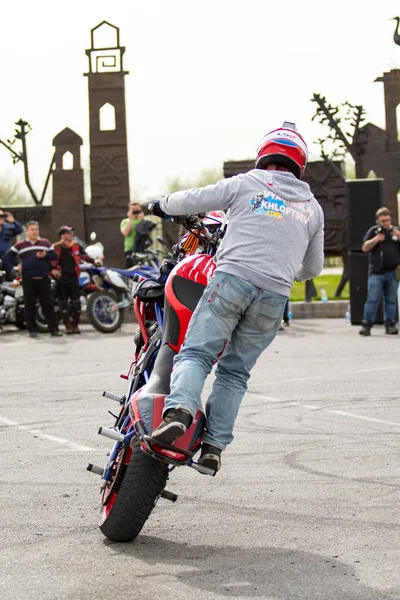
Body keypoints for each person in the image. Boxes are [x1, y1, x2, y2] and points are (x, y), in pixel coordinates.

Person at [149, 122, 324, 472]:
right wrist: (283, 270)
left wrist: (161, 204)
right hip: (274, 298)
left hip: (232, 280)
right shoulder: (313, 208)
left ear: (264, 156)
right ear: (298, 164)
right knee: (235, 372)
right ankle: (213, 447)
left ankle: (179, 412)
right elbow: (313, 268)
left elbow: (197, 198)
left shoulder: (247, 183)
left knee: (197, 352)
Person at [6, 220, 62, 338]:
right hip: (28, 279)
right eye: (32, 230)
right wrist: (16, 267)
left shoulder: (45, 242)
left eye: (36, 229)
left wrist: (45, 255)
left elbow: (54, 255)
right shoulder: (20, 245)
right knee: (29, 305)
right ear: (27, 231)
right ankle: (32, 330)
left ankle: (54, 329)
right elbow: (8, 256)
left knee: (48, 305)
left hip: (43, 278)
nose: (35, 232)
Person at [359, 207, 400, 336]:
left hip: (393, 272)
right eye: (383, 221)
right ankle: (367, 325)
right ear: (378, 221)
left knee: (391, 300)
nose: (386, 223)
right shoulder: (373, 231)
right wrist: (376, 239)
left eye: (387, 220)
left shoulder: (396, 231)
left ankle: (390, 324)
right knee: (372, 299)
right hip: (376, 273)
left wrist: (398, 236)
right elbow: (365, 248)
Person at [51, 225, 97, 334]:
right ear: (62, 235)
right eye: (68, 232)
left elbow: (84, 256)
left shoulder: (76, 246)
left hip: (74, 278)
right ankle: (67, 326)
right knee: (63, 303)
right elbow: (49, 261)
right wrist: (52, 270)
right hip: (61, 279)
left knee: (76, 303)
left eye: (71, 232)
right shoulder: (56, 247)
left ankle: (75, 325)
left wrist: (95, 261)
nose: (71, 234)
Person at [0, 210, 23, 280]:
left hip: (7, 257)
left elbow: (20, 230)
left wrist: (13, 221)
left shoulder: (8, 227)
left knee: (10, 276)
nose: (1, 218)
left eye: (3, 216)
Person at [120, 203, 145, 268]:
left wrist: (141, 220)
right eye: (133, 209)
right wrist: (130, 219)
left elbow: (146, 234)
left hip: (142, 250)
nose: (135, 211)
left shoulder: (145, 221)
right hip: (129, 250)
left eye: (137, 209)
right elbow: (126, 233)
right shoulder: (125, 221)